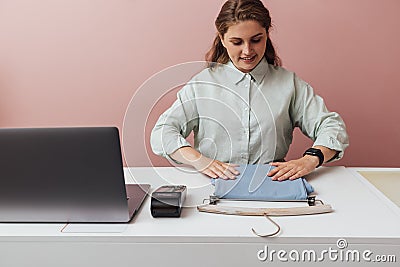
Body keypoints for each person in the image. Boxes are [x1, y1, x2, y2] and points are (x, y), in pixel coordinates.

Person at [150, 0, 349, 181]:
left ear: (267, 35)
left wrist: (310, 159)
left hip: (273, 184)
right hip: (211, 187)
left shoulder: (289, 83)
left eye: (256, 40)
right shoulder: (201, 85)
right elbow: (162, 133)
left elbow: (331, 125)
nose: (247, 51)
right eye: (237, 42)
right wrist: (200, 160)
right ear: (222, 38)